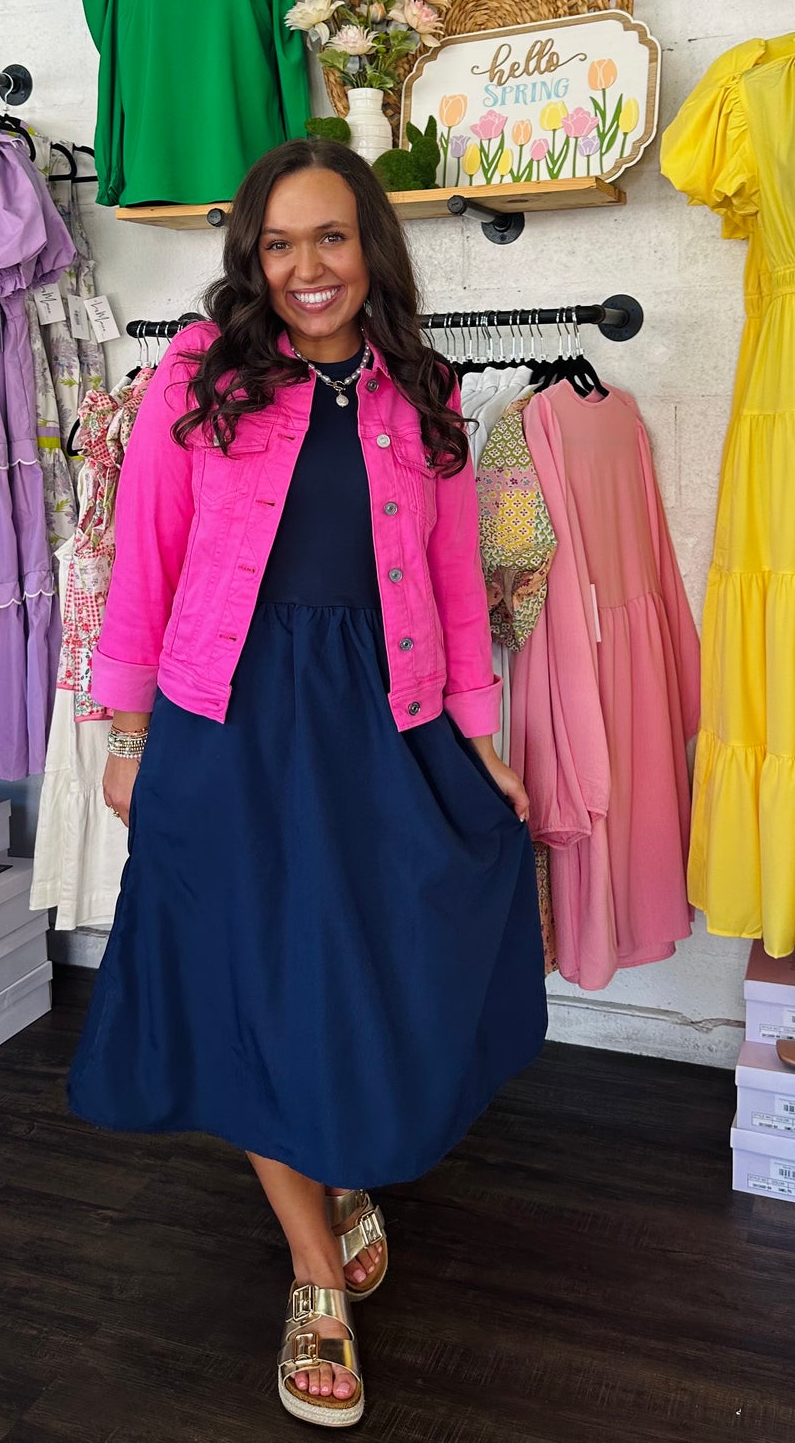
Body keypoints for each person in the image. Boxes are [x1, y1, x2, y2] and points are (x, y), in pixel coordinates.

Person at [67, 137, 548, 1428]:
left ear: (369, 246)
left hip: (374, 718)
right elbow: (144, 559)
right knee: (250, 983)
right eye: (277, 245)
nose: (303, 268)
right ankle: (312, 1276)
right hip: (227, 715)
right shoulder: (197, 374)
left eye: (327, 238)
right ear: (251, 260)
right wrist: (125, 733)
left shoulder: (422, 393)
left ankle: (337, 1174)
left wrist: (478, 737)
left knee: (366, 969)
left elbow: (452, 588)